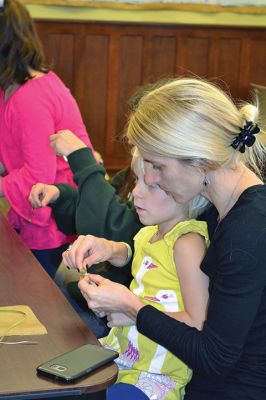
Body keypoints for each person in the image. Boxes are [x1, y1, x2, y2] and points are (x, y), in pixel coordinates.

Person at [64, 77, 266, 400]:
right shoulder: (215, 206)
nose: (152, 179)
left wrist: (133, 307)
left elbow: (213, 356)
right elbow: (167, 266)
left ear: (199, 160)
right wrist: (120, 252)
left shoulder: (249, 232)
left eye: (158, 167)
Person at [63, 148, 209, 399]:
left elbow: (198, 323)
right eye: (137, 181)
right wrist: (110, 250)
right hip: (122, 357)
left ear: (183, 190)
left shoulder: (188, 243)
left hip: (157, 373)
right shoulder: (148, 234)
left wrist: (132, 313)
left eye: (151, 186)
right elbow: (141, 257)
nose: (135, 192)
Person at [0, 0, 94, 277]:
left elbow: (39, 176)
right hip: (42, 204)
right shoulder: (14, 87)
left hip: (53, 214)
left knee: (35, 293)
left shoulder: (30, 97)